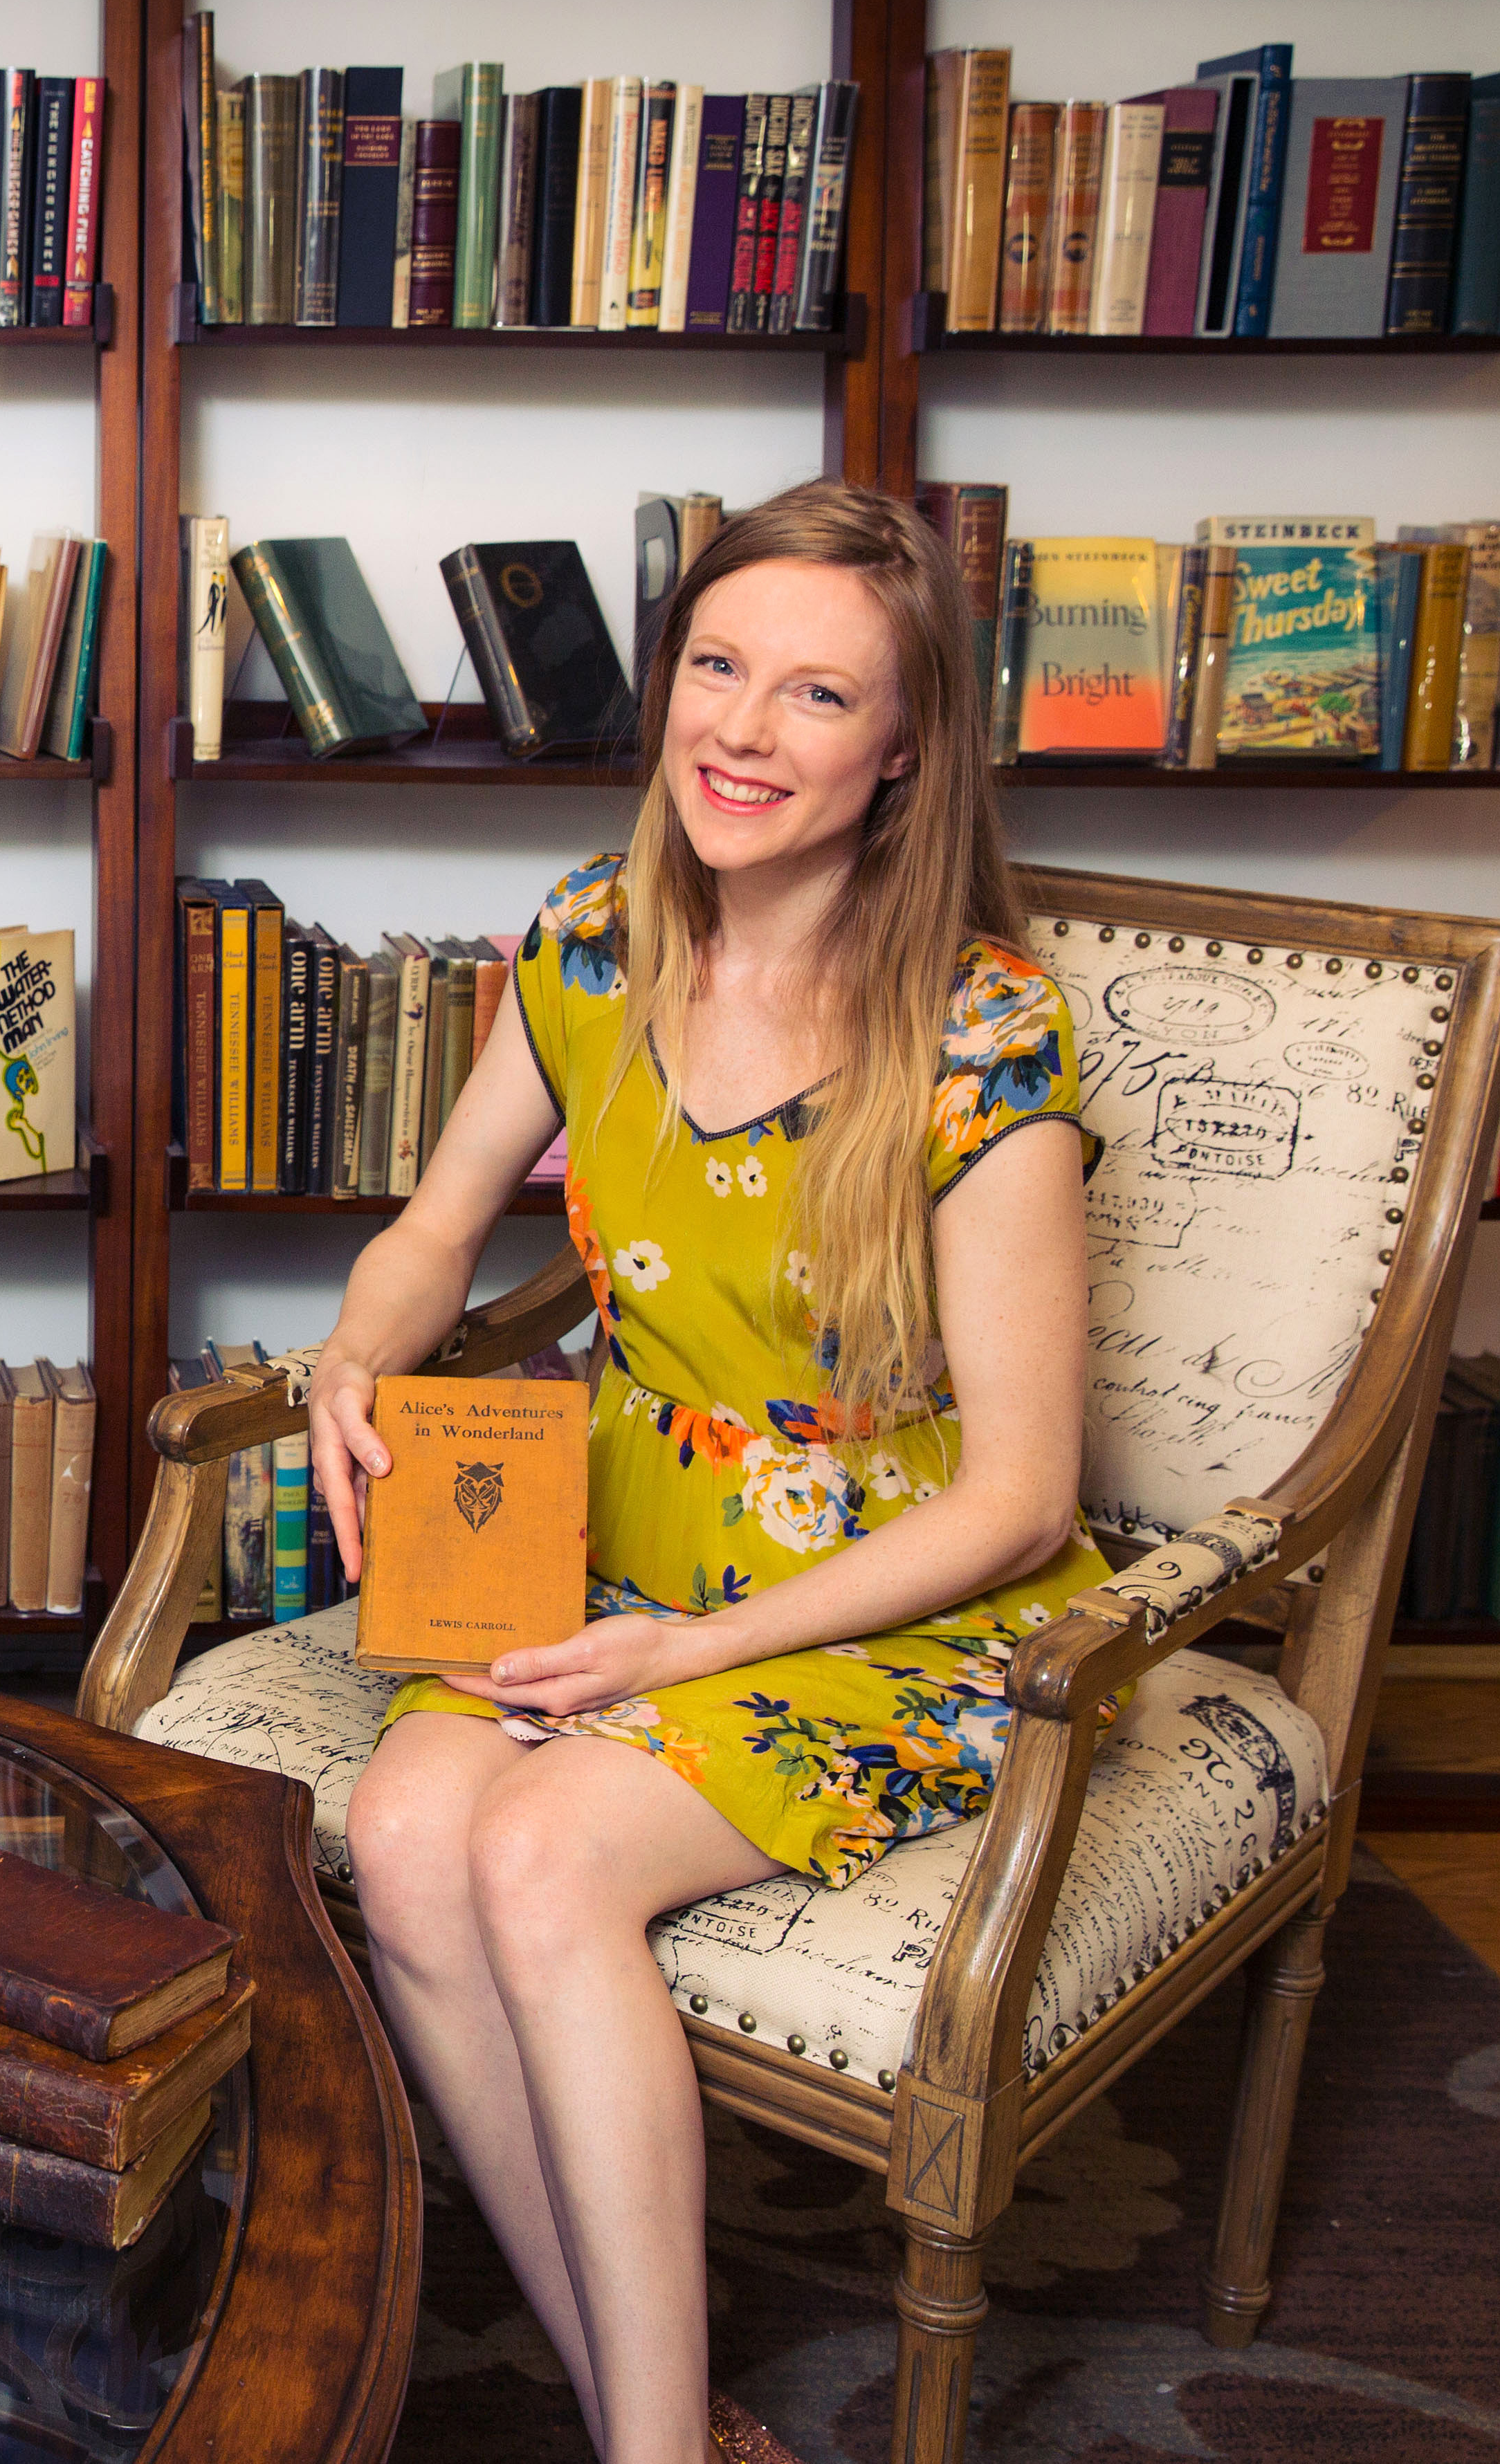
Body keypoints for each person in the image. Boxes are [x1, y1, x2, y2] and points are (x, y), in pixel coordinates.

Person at [301, 481, 1109, 2464]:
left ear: (901, 749)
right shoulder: (591, 935)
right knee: (406, 1840)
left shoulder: (983, 1034)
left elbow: (1013, 1495)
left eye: (814, 694)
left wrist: (681, 1665)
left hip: (890, 1607)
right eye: (716, 667)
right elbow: (434, 1228)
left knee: (538, 1849)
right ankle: (643, 2410)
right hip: (600, 1561)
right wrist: (349, 1346)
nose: (739, 732)